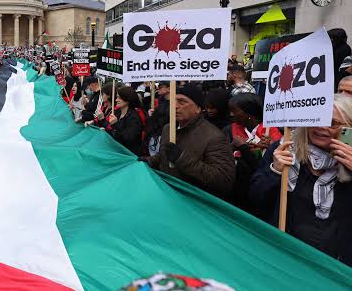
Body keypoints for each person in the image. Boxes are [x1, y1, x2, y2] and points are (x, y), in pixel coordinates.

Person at [250, 94, 352, 266]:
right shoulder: (283, 149)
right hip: (282, 257)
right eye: (316, 119)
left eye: (332, 123)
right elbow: (255, 200)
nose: (321, 127)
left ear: (348, 129)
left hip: (333, 267)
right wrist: (274, 171)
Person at [143, 85, 235, 198]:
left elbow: (223, 180)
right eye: (173, 101)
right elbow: (165, 155)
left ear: (198, 108)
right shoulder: (168, 128)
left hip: (193, 202)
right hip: (168, 196)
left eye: (182, 102)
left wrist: (181, 158)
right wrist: (149, 161)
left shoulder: (214, 137)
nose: (175, 106)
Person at [225, 93, 282, 212]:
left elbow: (268, 164)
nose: (231, 114)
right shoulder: (229, 130)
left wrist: (272, 146)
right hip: (236, 191)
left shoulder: (271, 131)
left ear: (249, 113)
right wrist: (233, 146)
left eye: (235, 111)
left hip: (260, 192)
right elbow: (221, 154)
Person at [106, 86, 145, 155]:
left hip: (128, 154)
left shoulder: (134, 117)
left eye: (119, 98)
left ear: (127, 99)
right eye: (116, 97)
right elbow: (112, 131)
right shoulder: (116, 112)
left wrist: (115, 124)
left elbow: (128, 138)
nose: (116, 100)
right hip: (116, 150)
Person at [146, 81, 171, 156]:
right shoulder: (158, 101)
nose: (158, 88)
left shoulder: (175, 103)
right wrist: (151, 115)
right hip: (156, 136)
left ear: (169, 88)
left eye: (160, 87)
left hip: (167, 137)